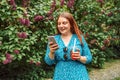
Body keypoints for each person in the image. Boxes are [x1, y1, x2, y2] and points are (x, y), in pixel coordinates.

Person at [44, 12, 92, 80]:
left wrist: (79, 58)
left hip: (79, 76)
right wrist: (51, 52)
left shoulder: (79, 38)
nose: (61, 26)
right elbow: (48, 62)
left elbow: (89, 58)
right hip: (60, 76)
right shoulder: (54, 40)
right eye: (59, 23)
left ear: (71, 24)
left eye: (64, 23)